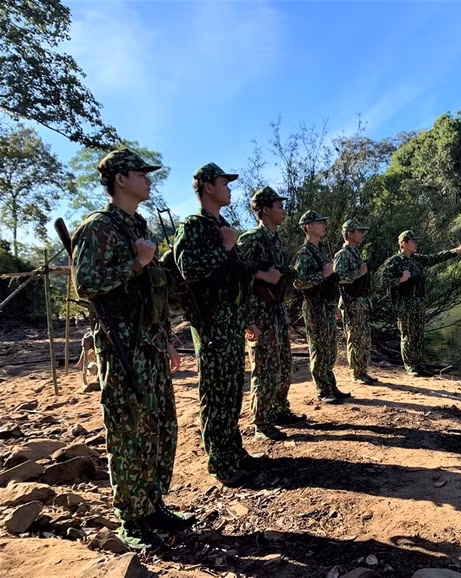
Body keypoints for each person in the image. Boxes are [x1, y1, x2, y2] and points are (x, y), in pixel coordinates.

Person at [72, 148, 191, 550]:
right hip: (122, 345)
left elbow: (152, 295)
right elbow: (86, 284)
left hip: (151, 343)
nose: (148, 178)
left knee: (161, 427)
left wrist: (169, 340)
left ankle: (153, 503)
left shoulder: (137, 225)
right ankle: (131, 516)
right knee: (127, 430)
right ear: (120, 179)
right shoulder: (99, 227)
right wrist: (137, 264)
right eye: (141, 173)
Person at [173, 162, 262, 485]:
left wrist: (245, 317)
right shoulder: (194, 226)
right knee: (215, 393)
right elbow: (189, 269)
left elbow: (233, 276)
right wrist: (225, 245)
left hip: (230, 319)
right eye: (225, 182)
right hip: (210, 322)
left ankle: (233, 451)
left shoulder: (221, 224)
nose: (230, 188)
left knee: (231, 391)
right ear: (208, 187)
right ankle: (219, 461)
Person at [237, 186, 305, 442]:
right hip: (259, 314)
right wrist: (248, 319)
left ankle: (279, 410)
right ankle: (261, 423)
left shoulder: (275, 240)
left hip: (275, 311)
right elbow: (238, 272)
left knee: (282, 365)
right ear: (265, 209)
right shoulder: (251, 238)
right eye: (279, 206)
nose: (284, 211)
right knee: (264, 369)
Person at [381, 230, 461, 377]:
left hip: (418, 303)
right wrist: (400, 279)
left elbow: (436, 257)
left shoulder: (417, 259)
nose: (416, 244)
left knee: (418, 335)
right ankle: (410, 366)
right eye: (413, 241)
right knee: (407, 335)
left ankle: (419, 365)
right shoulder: (393, 262)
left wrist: (457, 251)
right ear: (404, 243)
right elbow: (383, 282)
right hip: (404, 304)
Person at [293, 211, 351, 403]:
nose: (324, 226)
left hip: (325, 306)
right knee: (319, 348)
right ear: (308, 227)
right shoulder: (303, 254)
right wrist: (323, 275)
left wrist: (334, 305)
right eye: (320, 223)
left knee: (329, 349)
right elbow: (298, 282)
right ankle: (323, 390)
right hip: (314, 306)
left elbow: (330, 282)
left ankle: (330, 385)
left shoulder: (320, 251)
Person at [333, 219, 377, 385]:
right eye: (359, 231)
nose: (362, 234)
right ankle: (356, 373)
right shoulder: (342, 255)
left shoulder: (355, 253)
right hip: (351, 303)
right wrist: (359, 273)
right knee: (355, 338)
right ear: (350, 234)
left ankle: (362, 371)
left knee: (365, 339)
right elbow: (338, 279)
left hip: (362, 302)